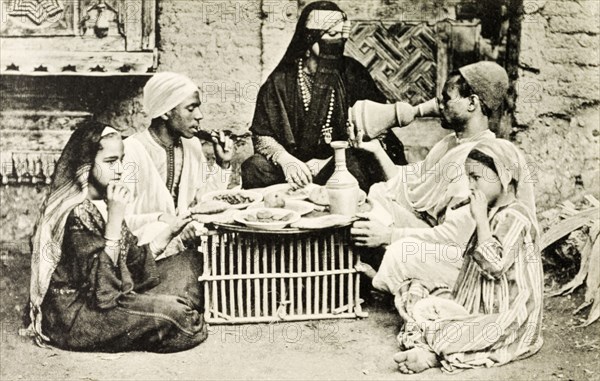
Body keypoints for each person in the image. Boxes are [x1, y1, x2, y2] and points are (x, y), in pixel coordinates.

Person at [25, 121, 208, 352]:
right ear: (86, 165)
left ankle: (157, 315)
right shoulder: (74, 212)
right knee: (181, 318)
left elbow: (133, 259)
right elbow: (103, 295)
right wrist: (114, 220)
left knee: (192, 261)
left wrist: (171, 230)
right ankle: (163, 316)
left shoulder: (105, 197)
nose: (120, 169)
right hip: (78, 313)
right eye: (111, 162)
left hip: (112, 289)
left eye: (121, 159)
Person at [350, 61, 516, 309]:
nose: (439, 105)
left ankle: (391, 283)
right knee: (377, 195)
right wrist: (374, 149)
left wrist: (389, 236)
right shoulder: (450, 143)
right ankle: (396, 279)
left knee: (399, 252)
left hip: (463, 257)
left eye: (447, 98)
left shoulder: (479, 158)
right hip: (437, 233)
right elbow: (404, 184)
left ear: (472, 103)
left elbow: (456, 237)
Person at [393, 139, 543, 374]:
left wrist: (481, 220)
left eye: (476, 178)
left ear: (503, 177)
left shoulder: (517, 218)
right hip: (475, 303)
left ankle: (431, 352)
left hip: (505, 313)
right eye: (468, 177)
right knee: (413, 290)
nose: (470, 185)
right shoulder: (493, 211)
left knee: (481, 330)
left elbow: (494, 266)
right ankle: (435, 343)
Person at [241, 1, 407, 192]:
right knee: (255, 167)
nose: (338, 42)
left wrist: (332, 160)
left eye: (342, 36)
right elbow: (262, 136)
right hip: (295, 170)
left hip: (339, 163)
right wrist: (286, 161)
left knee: (357, 165)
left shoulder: (353, 73)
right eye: (331, 35)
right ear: (310, 38)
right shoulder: (281, 81)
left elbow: (377, 133)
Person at [123, 71, 234, 249]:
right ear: (166, 112)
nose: (199, 115)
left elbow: (203, 201)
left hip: (185, 235)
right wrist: (167, 223)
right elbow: (119, 218)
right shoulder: (130, 151)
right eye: (191, 108)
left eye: (198, 107)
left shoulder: (192, 145)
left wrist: (223, 165)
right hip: (145, 244)